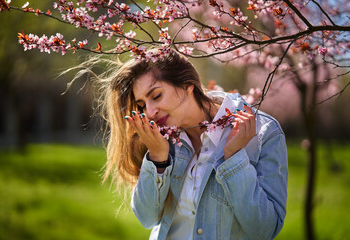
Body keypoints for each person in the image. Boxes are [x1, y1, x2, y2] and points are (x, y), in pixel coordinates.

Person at [99, 49, 288, 240]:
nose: (149, 112)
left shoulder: (263, 132)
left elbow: (265, 230)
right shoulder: (160, 136)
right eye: (142, 105)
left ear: (187, 85)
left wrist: (233, 159)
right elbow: (147, 218)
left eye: (156, 96)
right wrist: (158, 157)